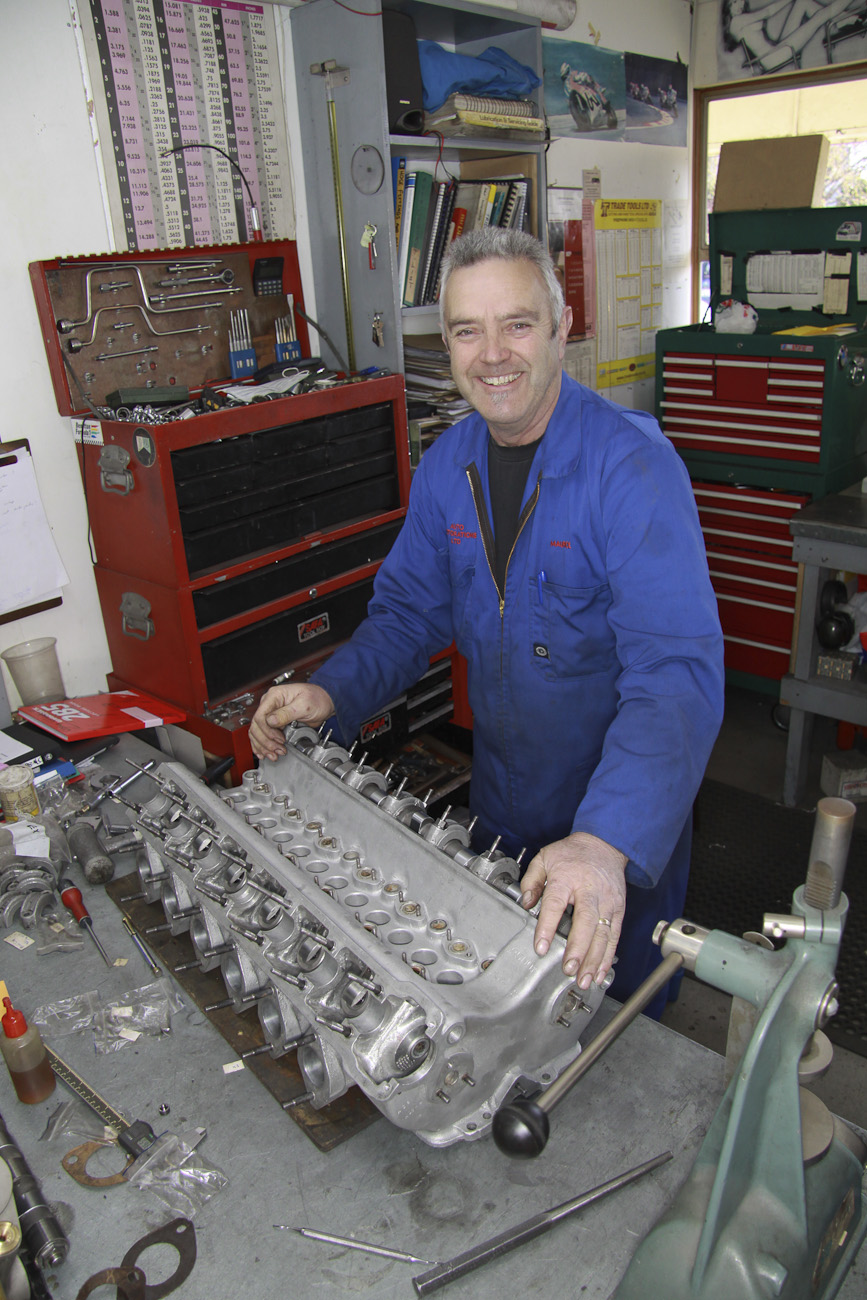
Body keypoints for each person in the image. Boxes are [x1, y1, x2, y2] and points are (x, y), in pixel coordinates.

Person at [250, 229, 725, 1019]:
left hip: (618, 817)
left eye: (517, 324)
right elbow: (406, 614)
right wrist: (330, 694)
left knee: (621, 1033)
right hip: (505, 807)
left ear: (562, 326)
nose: (492, 354)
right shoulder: (447, 467)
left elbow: (675, 675)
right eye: (468, 330)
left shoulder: (630, 469)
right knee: (512, 1015)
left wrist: (604, 841)